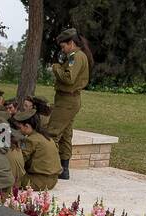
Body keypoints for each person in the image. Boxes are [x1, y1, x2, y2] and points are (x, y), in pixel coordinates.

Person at [48, 28, 93, 179]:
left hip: (67, 100)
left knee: (52, 133)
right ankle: (64, 169)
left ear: (71, 43)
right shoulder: (77, 56)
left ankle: (48, 167)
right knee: (66, 135)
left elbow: (68, 78)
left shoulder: (76, 56)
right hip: (69, 99)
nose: (63, 49)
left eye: (63, 46)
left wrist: (56, 68)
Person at [13, 110, 60, 191]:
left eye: (20, 127)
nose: (19, 130)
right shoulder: (46, 137)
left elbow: (19, 161)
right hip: (52, 180)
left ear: (27, 126)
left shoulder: (31, 140)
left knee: (8, 178)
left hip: (38, 182)